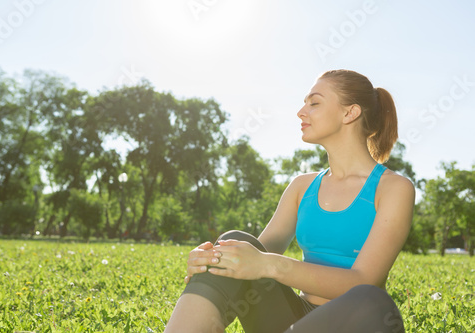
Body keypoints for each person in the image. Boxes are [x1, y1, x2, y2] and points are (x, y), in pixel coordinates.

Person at [164, 69, 415, 333]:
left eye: (314, 103)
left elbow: (364, 280)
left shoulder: (393, 188)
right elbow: (255, 253)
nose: (301, 112)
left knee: (372, 300)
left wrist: (270, 264)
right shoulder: (302, 186)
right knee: (236, 240)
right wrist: (214, 259)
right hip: (293, 321)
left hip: (354, 322)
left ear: (349, 113)